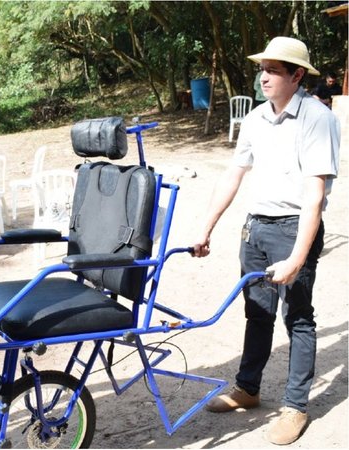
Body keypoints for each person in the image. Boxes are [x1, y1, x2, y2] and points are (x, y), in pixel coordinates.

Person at [192, 36, 339, 445]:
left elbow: (314, 198)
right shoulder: (256, 118)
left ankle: (295, 407)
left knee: (299, 318)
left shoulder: (317, 118)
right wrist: (206, 226)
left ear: (297, 75)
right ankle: (248, 389)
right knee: (257, 313)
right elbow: (233, 174)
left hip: (294, 228)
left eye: (274, 70)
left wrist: (297, 256)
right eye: (262, 68)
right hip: (256, 228)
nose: (264, 76)